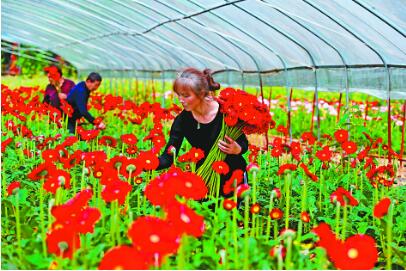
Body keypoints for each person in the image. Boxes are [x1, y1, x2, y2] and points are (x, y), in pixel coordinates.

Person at [157, 67, 248, 197]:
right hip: (203, 177)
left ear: (201, 93)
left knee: (231, 215)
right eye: (179, 95)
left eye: (186, 95)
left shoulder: (225, 112)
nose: (181, 100)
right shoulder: (183, 120)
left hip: (233, 176)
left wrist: (237, 149)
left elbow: (243, 143)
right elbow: (168, 157)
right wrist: (144, 163)